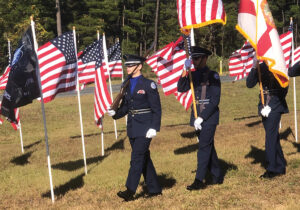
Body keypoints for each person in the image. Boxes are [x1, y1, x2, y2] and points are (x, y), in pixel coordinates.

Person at [107, 54, 162, 201]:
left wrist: (154, 127)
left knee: (136, 157)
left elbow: (156, 108)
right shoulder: (126, 84)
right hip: (132, 126)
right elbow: (126, 107)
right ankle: (155, 189)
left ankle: (129, 191)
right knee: (144, 158)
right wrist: (115, 113)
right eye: (127, 65)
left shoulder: (148, 84)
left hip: (145, 126)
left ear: (139, 66)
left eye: (131, 65)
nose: (128, 68)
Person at [177, 46, 223, 190]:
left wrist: (202, 117)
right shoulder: (193, 74)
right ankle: (217, 175)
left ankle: (199, 180)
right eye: (193, 58)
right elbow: (181, 88)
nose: (194, 61)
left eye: (197, 58)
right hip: (196, 115)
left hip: (208, 117)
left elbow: (215, 100)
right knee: (208, 145)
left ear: (205, 58)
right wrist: (184, 71)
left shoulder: (213, 76)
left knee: (203, 147)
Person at [246, 59, 288, 179]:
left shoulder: (278, 65)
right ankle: (280, 166)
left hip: (275, 106)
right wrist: (254, 67)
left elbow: (284, 89)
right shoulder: (261, 67)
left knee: (270, 136)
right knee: (273, 136)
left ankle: (271, 169)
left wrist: (271, 106)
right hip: (263, 106)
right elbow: (249, 84)